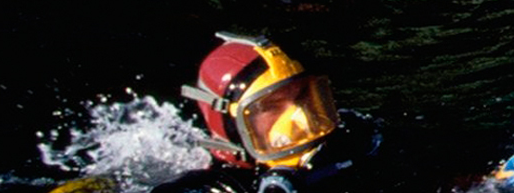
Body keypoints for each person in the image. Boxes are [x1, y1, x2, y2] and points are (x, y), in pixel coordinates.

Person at [155, 32, 373, 193]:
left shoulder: (351, 143)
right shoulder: (207, 188)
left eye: (302, 98)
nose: (302, 117)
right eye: (272, 107)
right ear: (230, 125)